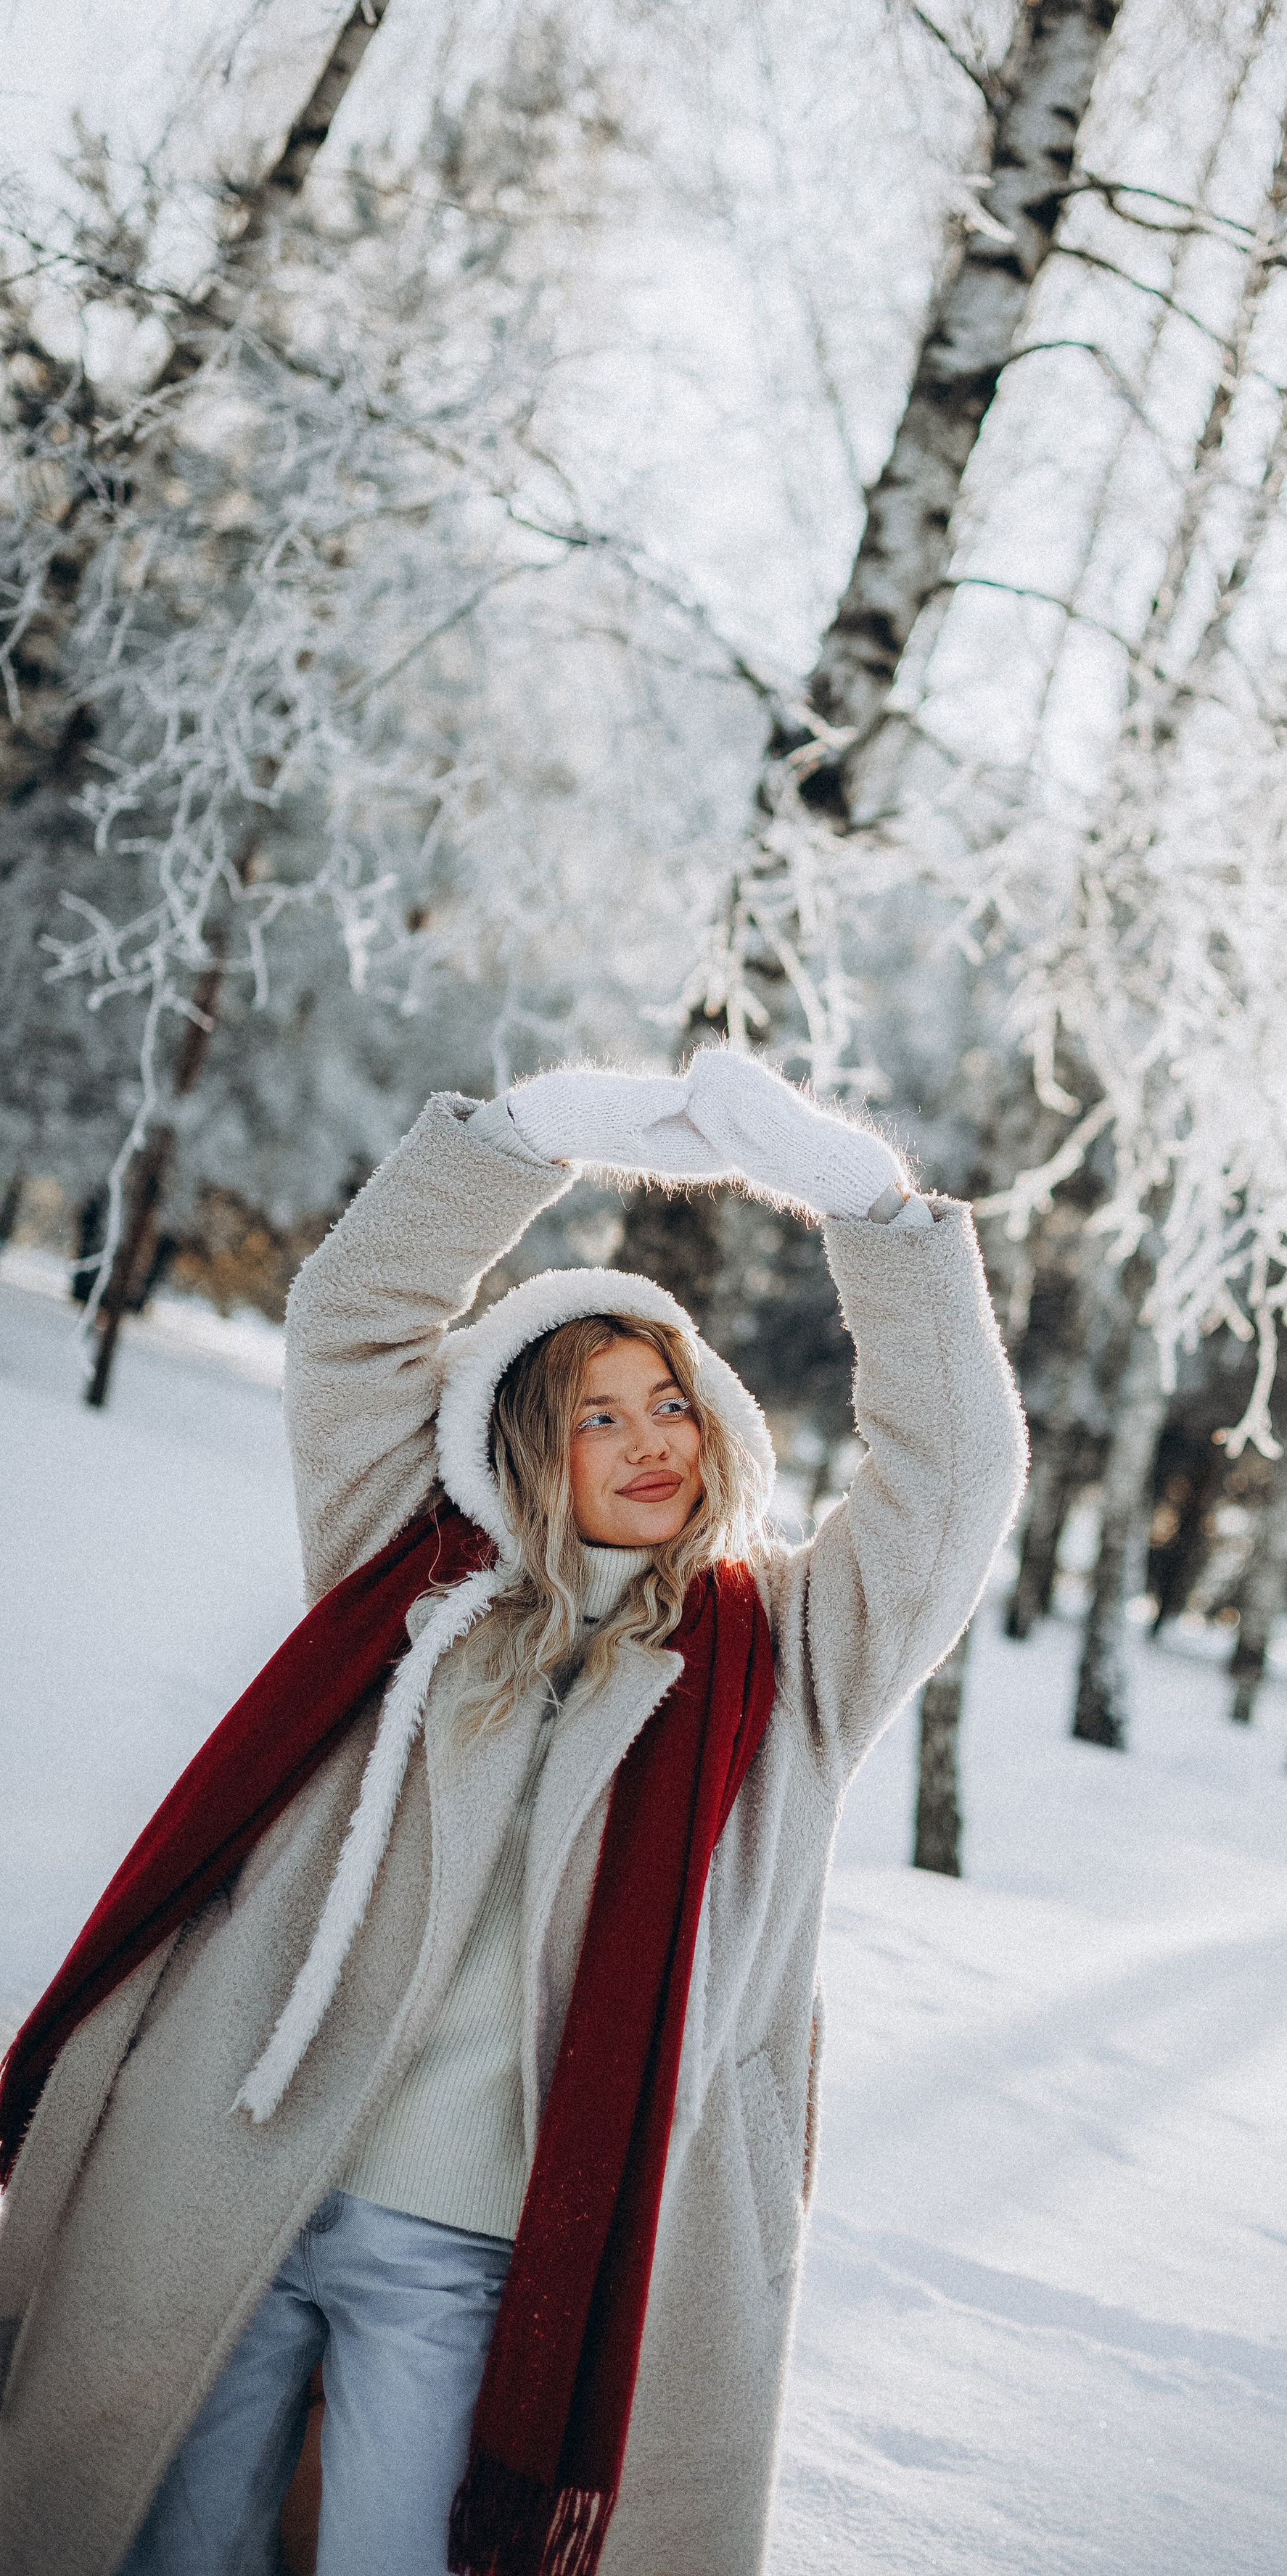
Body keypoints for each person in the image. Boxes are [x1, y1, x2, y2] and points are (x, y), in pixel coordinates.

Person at [0, 1051, 1027, 2576]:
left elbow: (947, 1491)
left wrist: (874, 1215)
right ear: (522, 1444)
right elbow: (352, 1322)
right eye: (596, 1415)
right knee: (160, 2547)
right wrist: (530, 1140)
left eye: (670, 1401)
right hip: (231, 2178)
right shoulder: (409, 1576)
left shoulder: (786, 1662)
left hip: (479, 2253)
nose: (651, 1440)